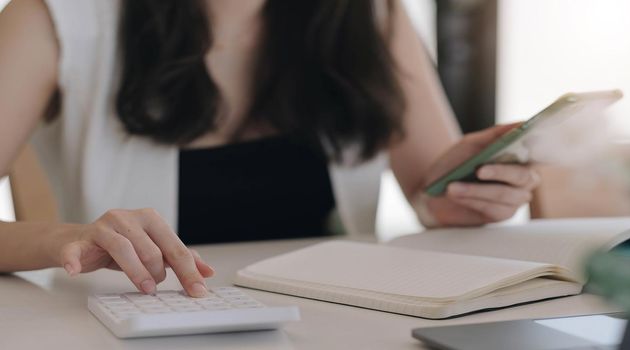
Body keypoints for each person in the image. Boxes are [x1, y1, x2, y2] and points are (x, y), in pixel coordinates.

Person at [0, 0, 540, 298]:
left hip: (339, 324)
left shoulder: (370, 16)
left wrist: (457, 197)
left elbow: (433, 196)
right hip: (140, 332)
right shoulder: (57, 18)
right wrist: (65, 238)